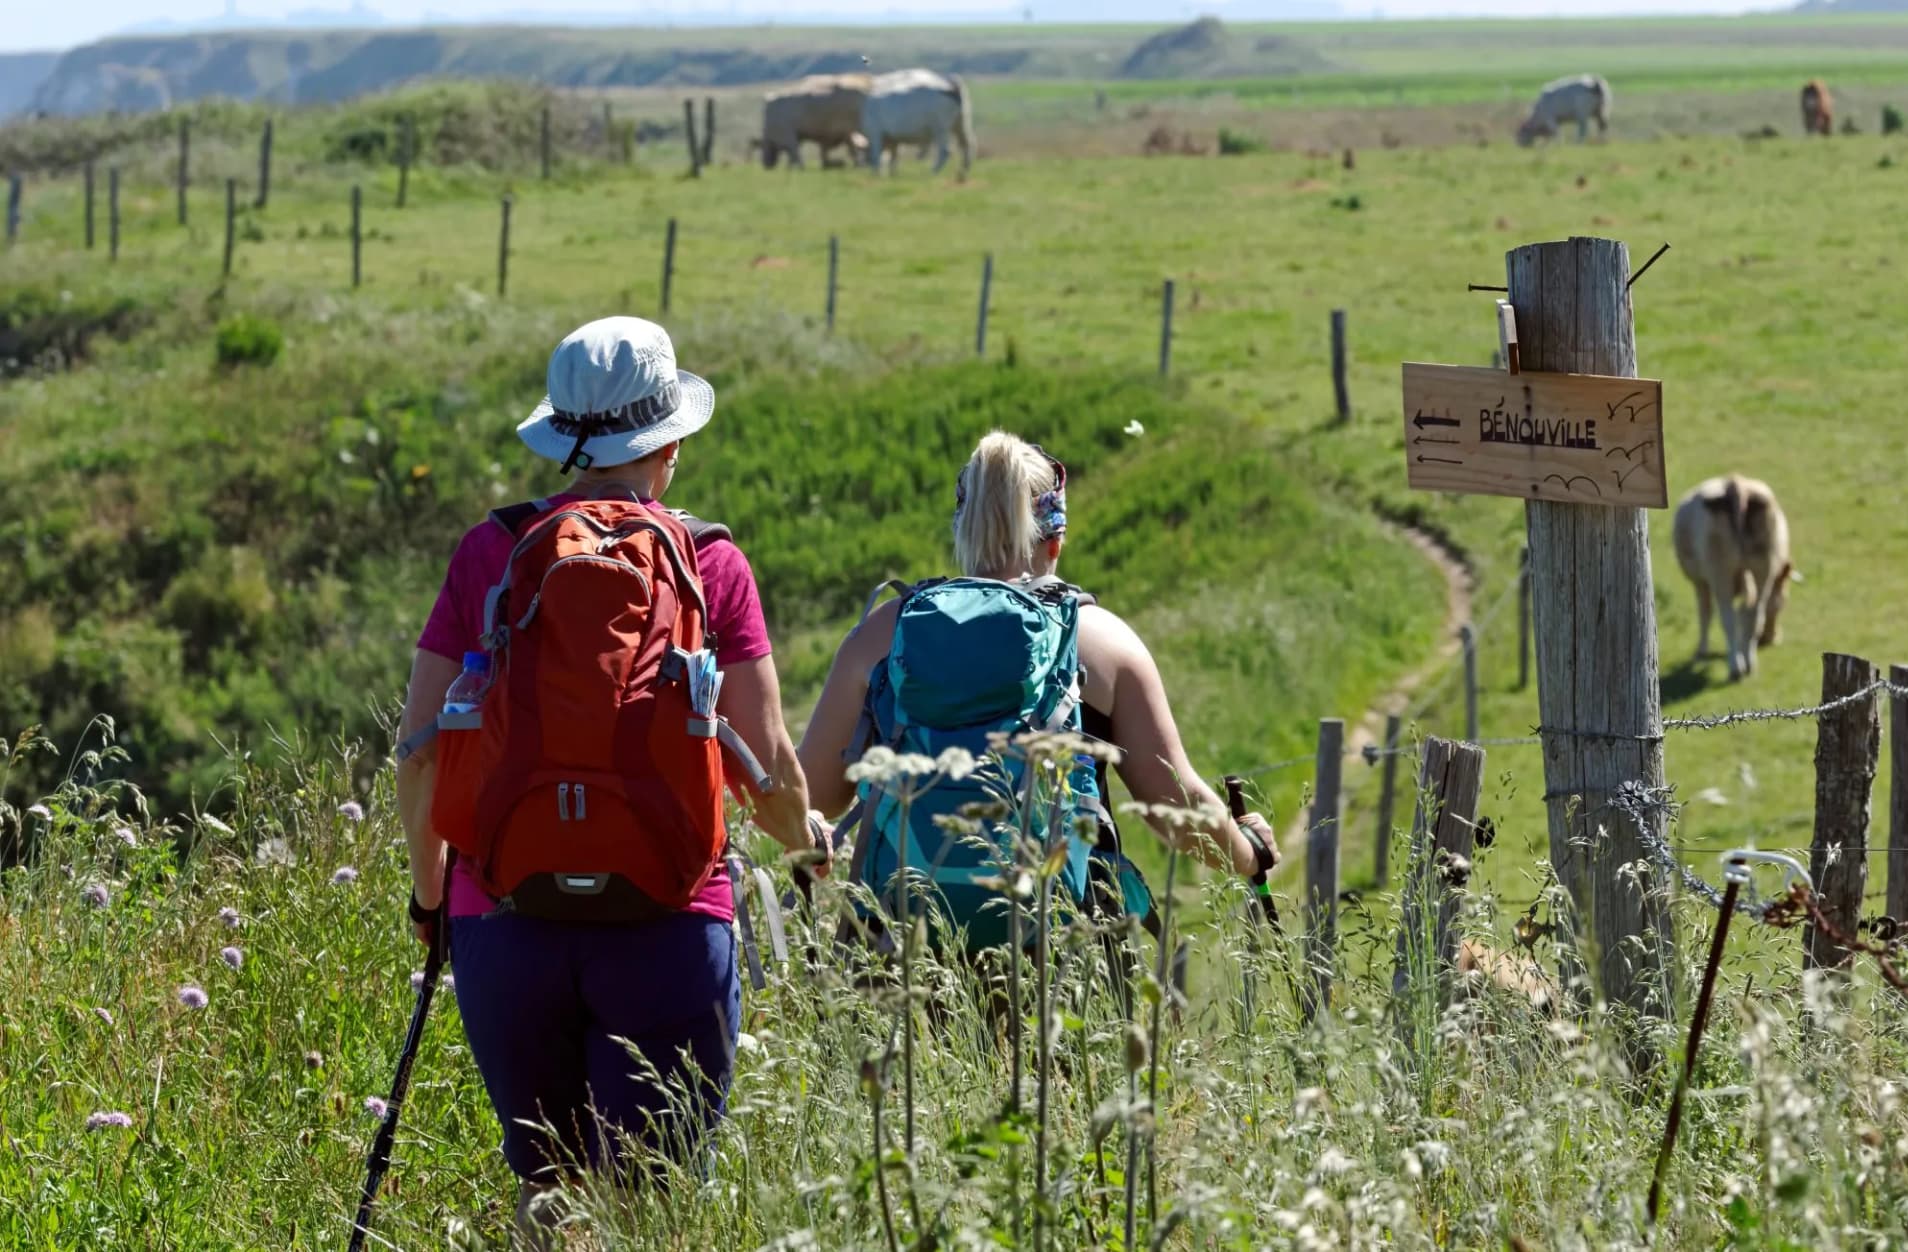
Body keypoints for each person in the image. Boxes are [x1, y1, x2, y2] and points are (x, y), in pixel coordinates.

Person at [393, 316, 823, 1239]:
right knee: (656, 1206)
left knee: (548, 1192)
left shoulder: (490, 552)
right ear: (667, 442)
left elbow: (419, 748)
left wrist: (433, 899)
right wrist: (809, 844)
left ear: (562, 440)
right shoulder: (710, 563)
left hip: (504, 920)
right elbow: (765, 762)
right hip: (669, 922)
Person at [798, 430, 1273, 948]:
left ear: (964, 530)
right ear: (1056, 540)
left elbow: (814, 794)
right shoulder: (1105, 644)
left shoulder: (883, 635)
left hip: (904, 946)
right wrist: (1249, 852)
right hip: (1060, 950)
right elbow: (1171, 805)